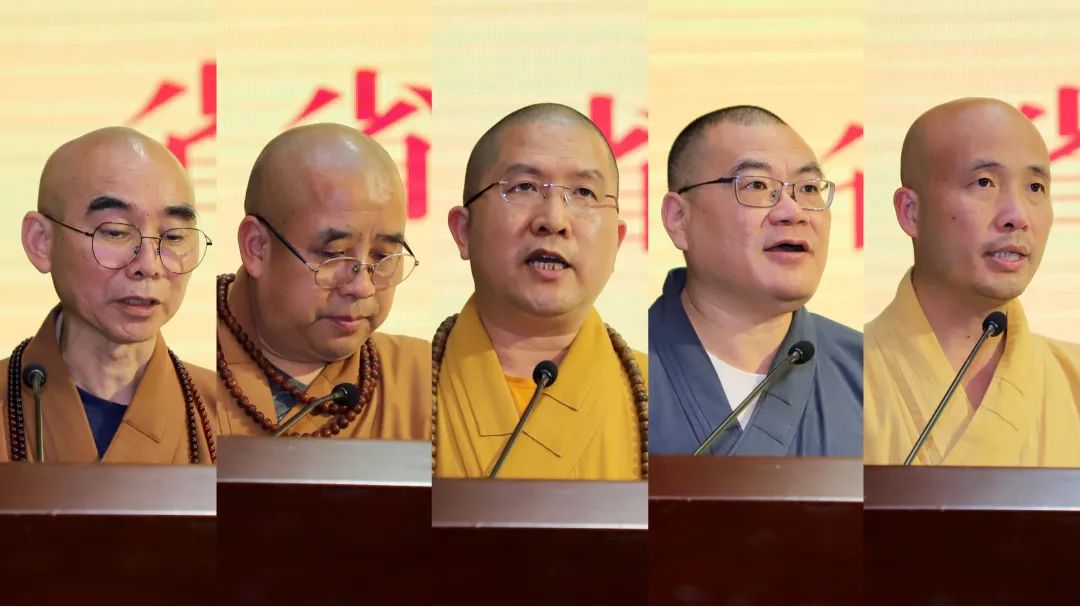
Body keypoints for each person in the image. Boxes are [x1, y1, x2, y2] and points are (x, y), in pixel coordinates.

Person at [433, 103, 647, 480]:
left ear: (616, 242)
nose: (554, 220)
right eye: (525, 187)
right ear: (464, 231)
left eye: (584, 192)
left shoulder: (663, 393)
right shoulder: (394, 388)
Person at [864, 97, 1080, 466]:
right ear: (911, 212)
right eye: (984, 182)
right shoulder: (845, 376)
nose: (1017, 216)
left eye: (1035, 188)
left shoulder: (1072, 379)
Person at [650, 106, 862, 456]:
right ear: (678, 219)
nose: (793, 212)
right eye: (757, 185)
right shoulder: (629, 374)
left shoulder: (870, 374)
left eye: (809, 188)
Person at [1, 126, 216, 463]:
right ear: (41, 242)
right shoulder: (8, 403)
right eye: (115, 232)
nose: (149, 265)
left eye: (174, 237)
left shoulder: (228, 416)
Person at [217, 123, 429, 440]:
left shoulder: (425, 379)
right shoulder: (186, 366)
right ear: (257, 247)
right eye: (335, 254)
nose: (363, 287)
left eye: (383, 256)